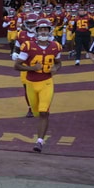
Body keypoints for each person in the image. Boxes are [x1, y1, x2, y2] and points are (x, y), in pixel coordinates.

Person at [14, 19, 62, 153]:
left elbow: (58, 62)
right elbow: (16, 65)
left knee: (44, 112)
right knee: (36, 113)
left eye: (46, 29)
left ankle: (39, 141)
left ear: (49, 31)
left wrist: (56, 68)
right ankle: (40, 134)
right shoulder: (28, 46)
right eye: (41, 29)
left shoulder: (55, 46)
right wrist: (32, 67)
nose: (43, 32)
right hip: (31, 83)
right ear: (36, 31)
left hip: (47, 82)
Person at [12, 12, 39, 118]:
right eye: (29, 23)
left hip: (40, 64)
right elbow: (17, 46)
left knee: (40, 86)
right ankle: (30, 108)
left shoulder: (42, 33)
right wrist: (15, 53)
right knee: (27, 87)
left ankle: (40, 106)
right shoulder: (21, 34)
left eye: (34, 23)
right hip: (25, 65)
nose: (32, 25)